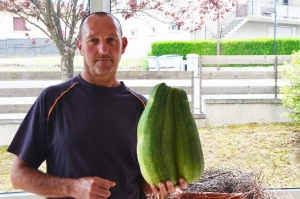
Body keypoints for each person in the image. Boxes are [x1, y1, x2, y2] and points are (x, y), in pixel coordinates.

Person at [7, 12, 187, 199]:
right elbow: (18, 176)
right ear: (80, 47)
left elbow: (142, 184)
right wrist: (73, 188)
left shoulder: (144, 108)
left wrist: (162, 185)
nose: (103, 49)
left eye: (111, 39)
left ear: (123, 45)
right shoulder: (53, 100)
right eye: (93, 40)